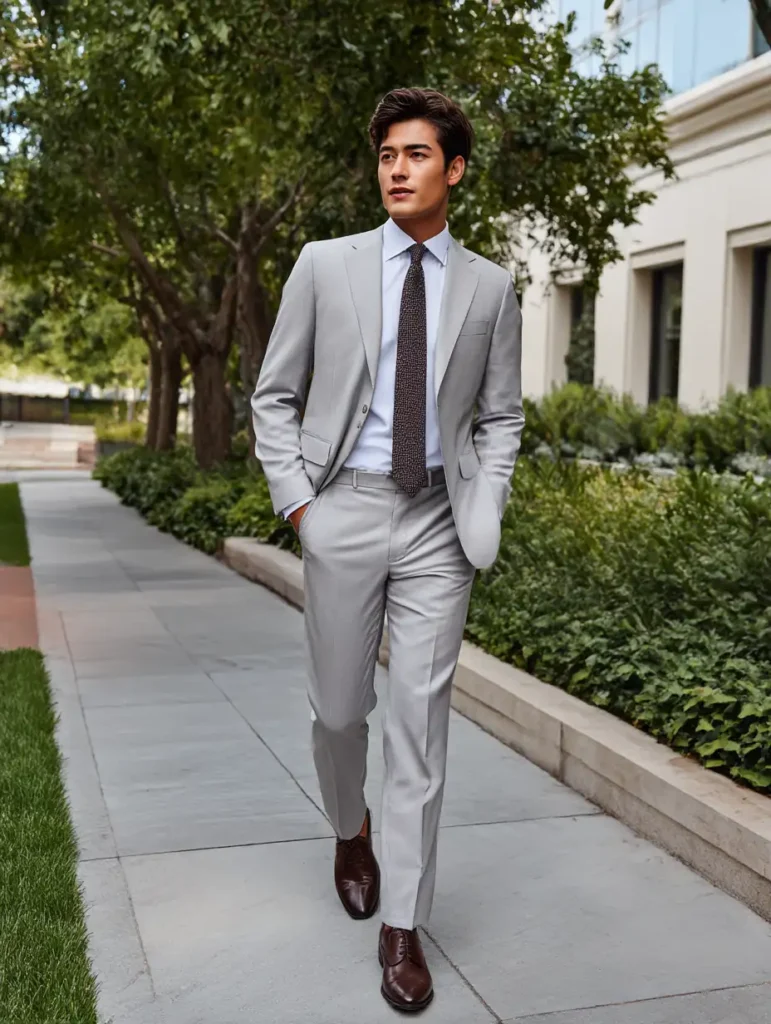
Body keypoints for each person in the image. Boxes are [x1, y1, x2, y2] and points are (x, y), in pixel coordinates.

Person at [252, 86, 524, 1014]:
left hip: (437, 526)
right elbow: (273, 396)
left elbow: (500, 414)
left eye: (415, 155)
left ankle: (402, 925)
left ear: (453, 169)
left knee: (419, 726)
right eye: (385, 157)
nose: (397, 170)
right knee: (338, 713)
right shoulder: (325, 266)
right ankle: (348, 828)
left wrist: (484, 499)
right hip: (346, 511)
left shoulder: (490, 286)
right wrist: (300, 508)